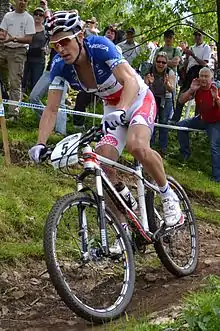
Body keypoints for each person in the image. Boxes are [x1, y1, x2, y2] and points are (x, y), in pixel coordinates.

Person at [29, 11, 183, 230]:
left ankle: (168, 194)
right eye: (55, 45)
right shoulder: (60, 65)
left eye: (64, 42)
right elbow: (52, 108)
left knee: (137, 145)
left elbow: (129, 79)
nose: (61, 49)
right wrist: (40, 143)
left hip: (137, 98)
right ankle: (123, 216)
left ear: (80, 36)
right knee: (103, 163)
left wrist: (121, 110)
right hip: (112, 107)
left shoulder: (100, 46)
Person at [177, 67, 220, 182]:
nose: (203, 79)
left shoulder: (217, 88)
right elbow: (181, 101)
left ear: (211, 78)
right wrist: (191, 90)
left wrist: (216, 98)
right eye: (201, 76)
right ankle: (185, 156)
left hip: (215, 122)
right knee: (181, 125)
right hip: (202, 119)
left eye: (206, 76)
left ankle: (217, 177)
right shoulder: (197, 88)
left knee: (214, 146)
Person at [0, 0, 35, 119]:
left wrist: (13, 39)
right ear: (15, 1)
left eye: (26, 1)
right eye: (21, 0)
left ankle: (13, 114)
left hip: (18, 51)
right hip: (3, 48)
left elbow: (29, 39)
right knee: (5, 80)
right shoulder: (8, 15)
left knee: (15, 82)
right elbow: (3, 33)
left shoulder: (28, 18)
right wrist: (3, 37)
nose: (23, 2)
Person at [171, 31, 211, 123]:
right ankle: (175, 119)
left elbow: (204, 63)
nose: (197, 37)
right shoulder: (192, 47)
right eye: (195, 35)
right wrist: (186, 59)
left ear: (203, 36)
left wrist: (193, 55)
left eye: (199, 35)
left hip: (200, 73)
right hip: (189, 73)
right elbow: (187, 64)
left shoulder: (206, 47)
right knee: (182, 94)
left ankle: (197, 121)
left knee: (199, 97)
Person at [29, 48, 68, 135]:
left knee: (60, 103)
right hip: (49, 71)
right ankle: (49, 119)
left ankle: (60, 132)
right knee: (33, 97)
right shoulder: (52, 37)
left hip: (63, 74)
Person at [144, 52, 175, 156]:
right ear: (155, 61)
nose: (160, 64)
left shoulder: (170, 73)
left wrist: (167, 84)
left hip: (165, 98)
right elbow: (144, 87)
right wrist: (149, 82)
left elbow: (172, 90)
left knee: (163, 122)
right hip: (152, 96)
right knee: (151, 120)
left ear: (166, 63)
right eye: (158, 61)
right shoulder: (149, 70)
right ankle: (149, 144)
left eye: (163, 62)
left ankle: (163, 148)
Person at [22, 7, 46, 92]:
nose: (38, 16)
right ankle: (20, 98)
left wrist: (47, 49)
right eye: (36, 14)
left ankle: (33, 100)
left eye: (40, 15)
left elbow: (51, 43)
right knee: (22, 80)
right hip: (26, 56)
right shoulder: (27, 28)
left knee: (36, 82)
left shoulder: (46, 30)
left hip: (39, 59)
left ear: (43, 17)